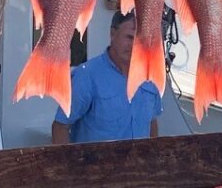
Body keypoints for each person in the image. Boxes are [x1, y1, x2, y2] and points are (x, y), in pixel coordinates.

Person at [50, 10, 162, 144]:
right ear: (113, 33)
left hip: (139, 164)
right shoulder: (87, 75)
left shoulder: (151, 77)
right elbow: (60, 126)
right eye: (129, 37)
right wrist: (68, 165)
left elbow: (152, 123)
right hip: (95, 164)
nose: (134, 45)